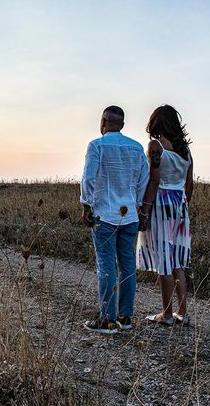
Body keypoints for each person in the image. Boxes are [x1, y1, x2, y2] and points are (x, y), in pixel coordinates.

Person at [80, 106, 149, 334]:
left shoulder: (97, 145)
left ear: (103, 122)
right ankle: (125, 317)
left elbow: (89, 177)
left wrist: (86, 204)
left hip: (105, 214)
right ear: (122, 124)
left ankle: (107, 320)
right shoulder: (136, 147)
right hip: (129, 215)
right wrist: (137, 205)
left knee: (106, 264)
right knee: (127, 264)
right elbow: (143, 180)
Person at [137, 105, 194, 326]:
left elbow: (154, 179)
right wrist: (183, 206)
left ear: (155, 123)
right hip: (180, 203)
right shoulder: (186, 150)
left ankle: (166, 314)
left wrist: (144, 209)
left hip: (161, 202)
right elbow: (190, 184)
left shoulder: (156, 146)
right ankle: (183, 312)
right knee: (177, 259)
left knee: (164, 259)